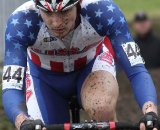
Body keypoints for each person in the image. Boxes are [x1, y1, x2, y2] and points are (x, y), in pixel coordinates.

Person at [2, 0, 159, 130]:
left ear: (78, 3)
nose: (56, 22)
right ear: (37, 7)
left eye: (64, 11)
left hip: (91, 67)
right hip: (43, 78)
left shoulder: (103, 11)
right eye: (48, 13)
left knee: (102, 108)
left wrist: (150, 113)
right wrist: (22, 121)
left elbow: (136, 70)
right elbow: (11, 87)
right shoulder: (21, 22)